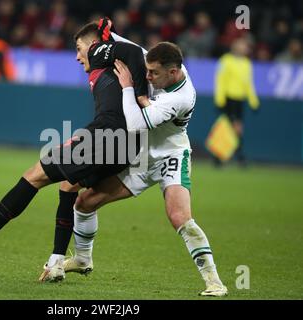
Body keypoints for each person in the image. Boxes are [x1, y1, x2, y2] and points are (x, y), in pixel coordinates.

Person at [0, 21, 148, 275]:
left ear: (94, 45)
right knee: (69, 185)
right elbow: (114, 109)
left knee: (34, 175)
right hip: (126, 145)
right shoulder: (110, 69)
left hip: (108, 137)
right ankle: (57, 261)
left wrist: (141, 95)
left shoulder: (100, 53)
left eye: (79, 48)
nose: (77, 56)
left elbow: (135, 52)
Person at [43, 37, 228, 297]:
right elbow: (131, 47)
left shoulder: (181, 98)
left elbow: (134, 124)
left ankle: (214, 281)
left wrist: (129, 88)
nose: (148, 76)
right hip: (141, 157)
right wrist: (108, 33)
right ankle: (84, 259)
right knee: (84, 203)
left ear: (173, 73)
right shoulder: (162, 69)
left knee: (180, 217)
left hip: (171, 157)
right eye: (147, 70)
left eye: (153, 73)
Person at [214, 37, 260, 166]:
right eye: (243, 45)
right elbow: (220, 81)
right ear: (235, 46)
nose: (245, 48)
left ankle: (220, 157)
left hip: (240, 100)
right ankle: (238, 156)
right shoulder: (226, 61)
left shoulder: (247, 63)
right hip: (229, 99)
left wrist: (254, 102)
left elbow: (249, 84)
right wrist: (220, 99)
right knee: (234, 128)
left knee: (234, 128)